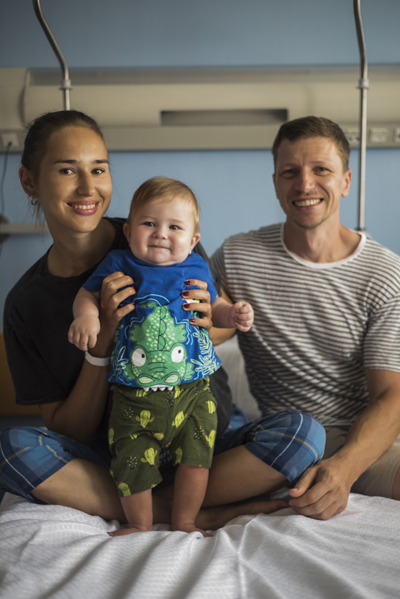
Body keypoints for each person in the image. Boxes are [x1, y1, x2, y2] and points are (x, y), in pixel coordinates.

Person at [0, 110, 325, 532]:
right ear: (29, 181)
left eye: (99, 169)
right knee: (11, 451)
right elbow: (71, 431)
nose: (88, 187)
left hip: (209, 437)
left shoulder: (164, 230)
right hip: (119, 452)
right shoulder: (27, 303)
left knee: (304, 435)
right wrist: (101, 348)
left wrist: (217, 316)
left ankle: (155, 507)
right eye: (67, 170)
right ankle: (192, 509)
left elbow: (221, 325)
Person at [211, 115, 400, 521]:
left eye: (321, 170)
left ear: (346, 181)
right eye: (290, 172)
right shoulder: (237, 256)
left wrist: (345, 470)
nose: (305, 184)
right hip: (293, 436)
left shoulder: (384, 274)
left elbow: (391, 396)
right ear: (276, 182)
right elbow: (206, 327)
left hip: (370, 434)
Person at [69, 176, 254, 536]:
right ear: (128, 231)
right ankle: (140, 522)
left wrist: (230, 315)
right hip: (132, 394)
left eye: (174, 226)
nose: (161, 234)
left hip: (195, 393)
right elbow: (85, 295)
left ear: (193, 240)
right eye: (149, 224)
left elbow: (213, 307)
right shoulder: (119, 263)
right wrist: (86, 316)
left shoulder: (196, 267)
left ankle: (185, 520)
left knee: (198, 458)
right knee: (130, 457)